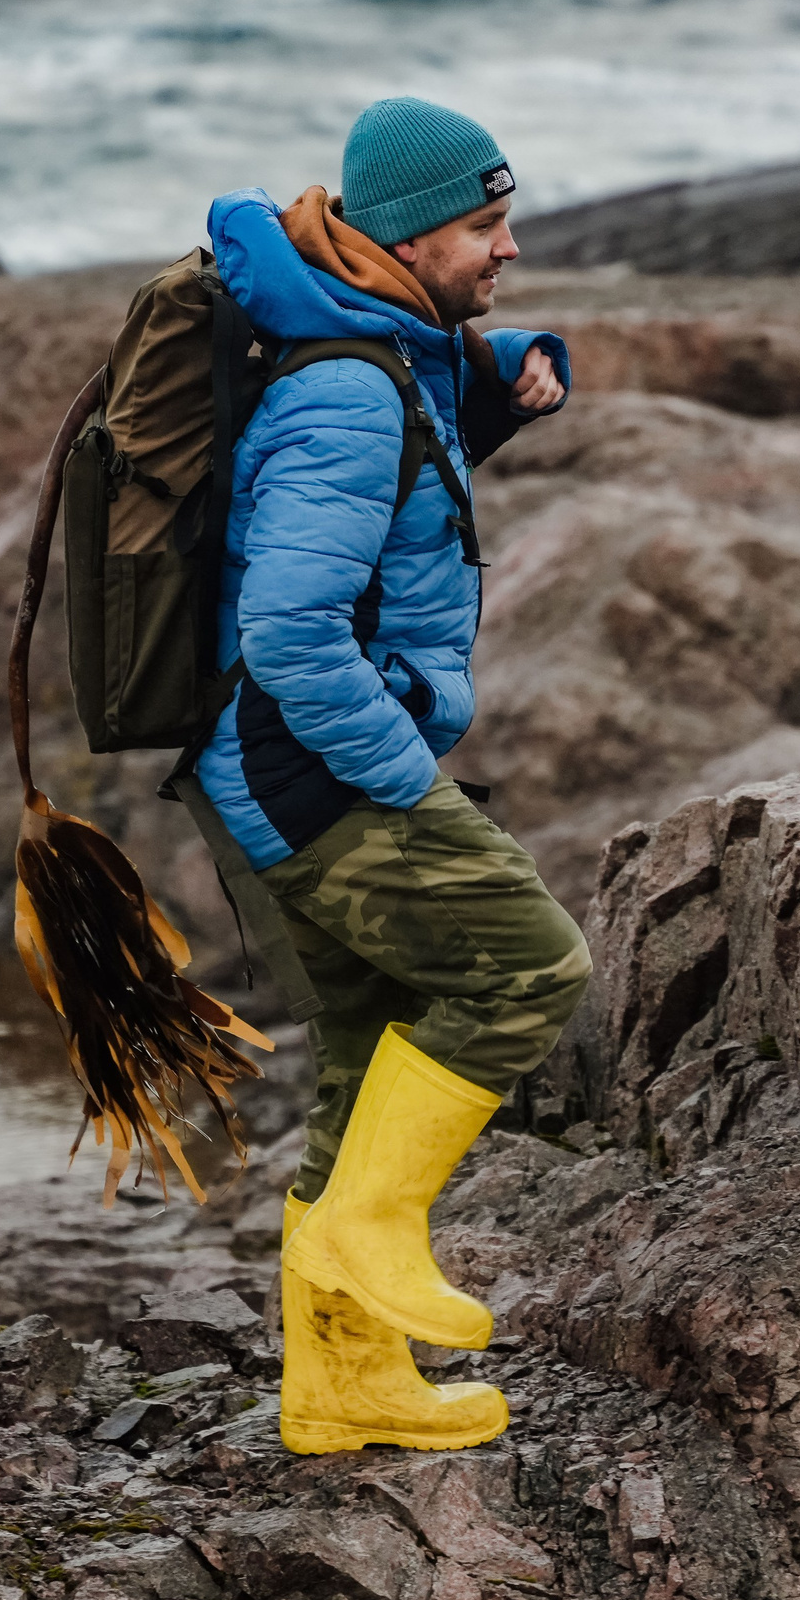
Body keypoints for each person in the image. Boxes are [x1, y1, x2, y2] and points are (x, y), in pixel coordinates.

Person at [200, 98, 589, 1455]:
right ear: (413, 236)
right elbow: (292, 633)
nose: (511, 246)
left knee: (364, 1060)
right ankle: (372, 1228)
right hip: (312, 770)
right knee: (531, 967)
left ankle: (339, 1385)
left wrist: (516, 371)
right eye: (487, 228)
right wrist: (406, 786)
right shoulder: (346, 391)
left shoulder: (376, 341)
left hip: (275, 765)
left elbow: (418, 450)